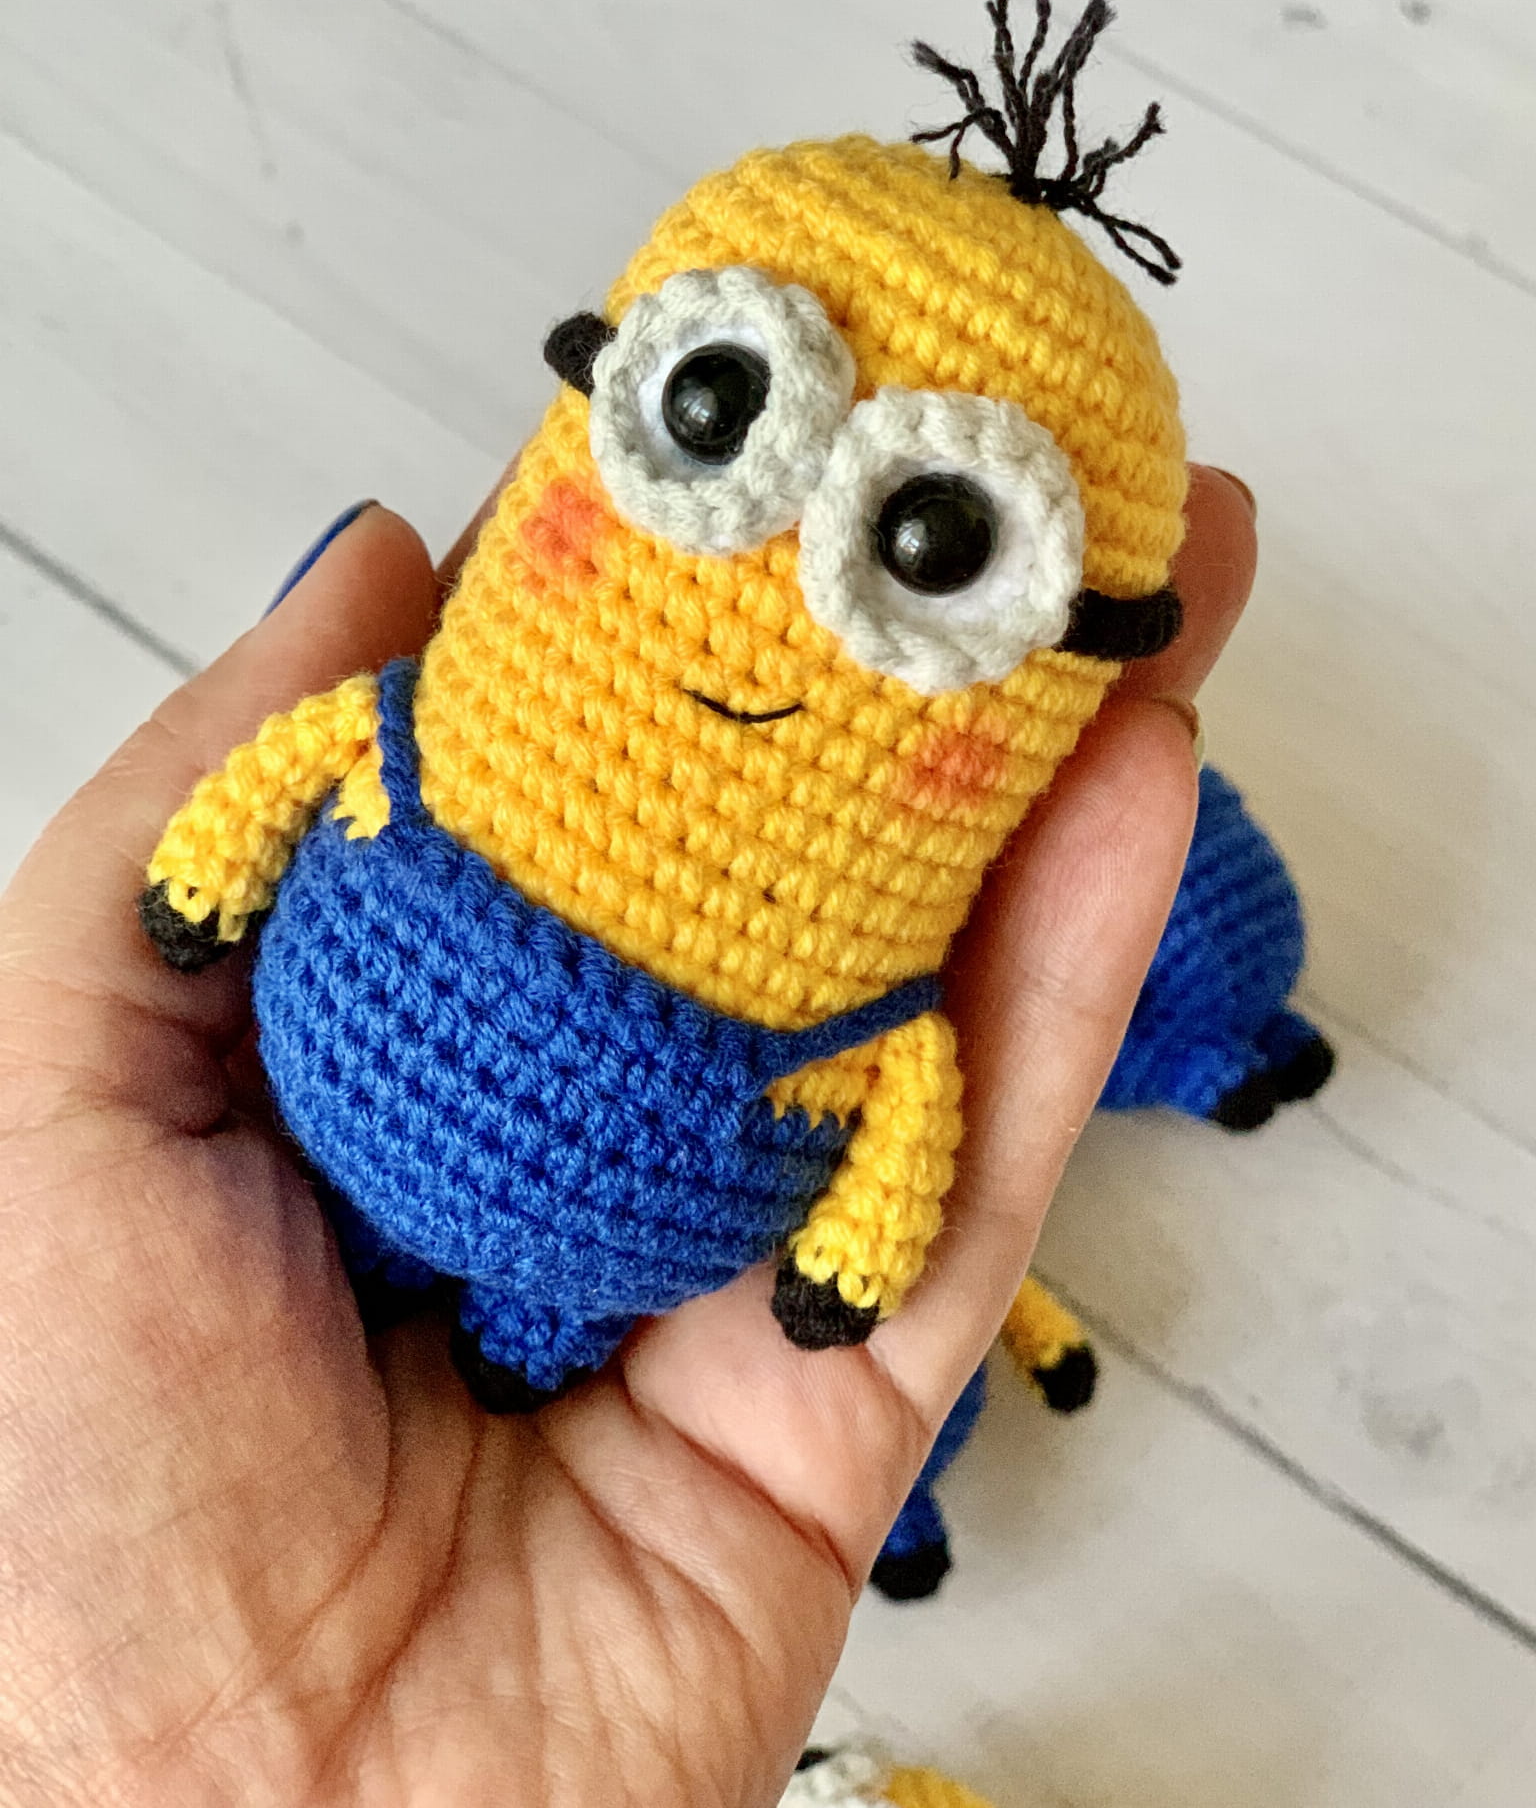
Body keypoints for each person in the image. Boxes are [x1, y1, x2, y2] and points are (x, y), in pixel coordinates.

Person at [0, 466, 1254, 1806]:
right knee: (533, 1284)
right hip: (417, 1133)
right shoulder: (436, 744)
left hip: (554, 1188)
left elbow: (910, 1083)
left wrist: (203, 881)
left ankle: (523, 1333)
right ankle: (513, 1327)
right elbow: (323, 751)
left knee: (548, 1300)